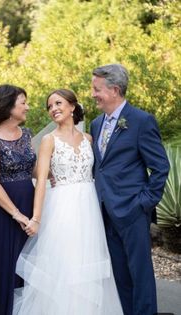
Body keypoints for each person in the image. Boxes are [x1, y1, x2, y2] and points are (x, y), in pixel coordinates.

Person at [12, 89, 123, 315]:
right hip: (62, 210)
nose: (54, 109)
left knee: (88, 266)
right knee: (65, 264)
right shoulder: (48, 140)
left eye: (58, 103)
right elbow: (41, 181)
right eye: (50, 106)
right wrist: (36, 218)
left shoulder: (89, 139)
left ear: (73, 106)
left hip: (89, 209)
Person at [90, 64, 170, 315]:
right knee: (119, 275)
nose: (92, 93)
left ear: (114, 89)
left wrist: (144, 203)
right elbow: (99, 168)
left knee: (140, 274)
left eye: (96, 89)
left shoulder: (141, 121)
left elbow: (160, 168)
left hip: (133, 211)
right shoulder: (95, 124)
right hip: (105, 211)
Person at [0, 84, 36, 315]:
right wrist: (16, 214)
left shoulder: (27, 134)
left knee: (28, 263)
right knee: (4, 265)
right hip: (3, 212)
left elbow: (32, 169)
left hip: (29, 205)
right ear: (9, 106)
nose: (27, 107)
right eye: (23, 103)